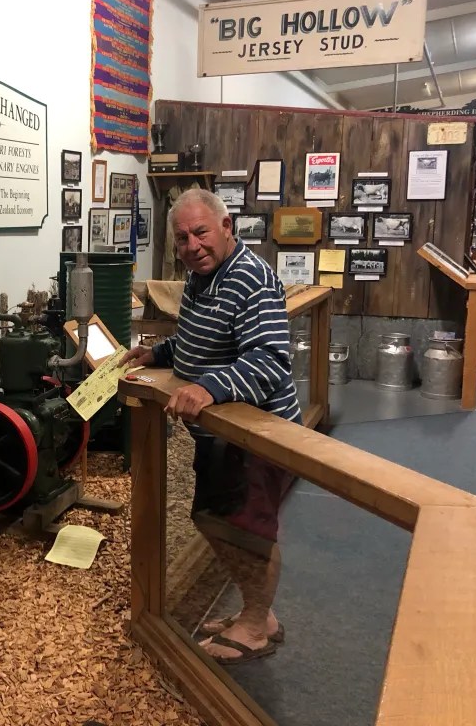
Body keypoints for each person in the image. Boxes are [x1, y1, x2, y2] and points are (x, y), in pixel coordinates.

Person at [120, 188, 301, 665]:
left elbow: (269, 360)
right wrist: (158, 353)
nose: (192, 245)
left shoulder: (252, 278)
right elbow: (198, 339)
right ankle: (258, 613)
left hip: (257, 437)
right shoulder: (204, 277)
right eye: (182, 238)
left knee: (246, 530)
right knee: (213, 518)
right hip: (221, 435)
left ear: (226, 227)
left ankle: (255, 627)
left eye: (200, 232)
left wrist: (209, 388)